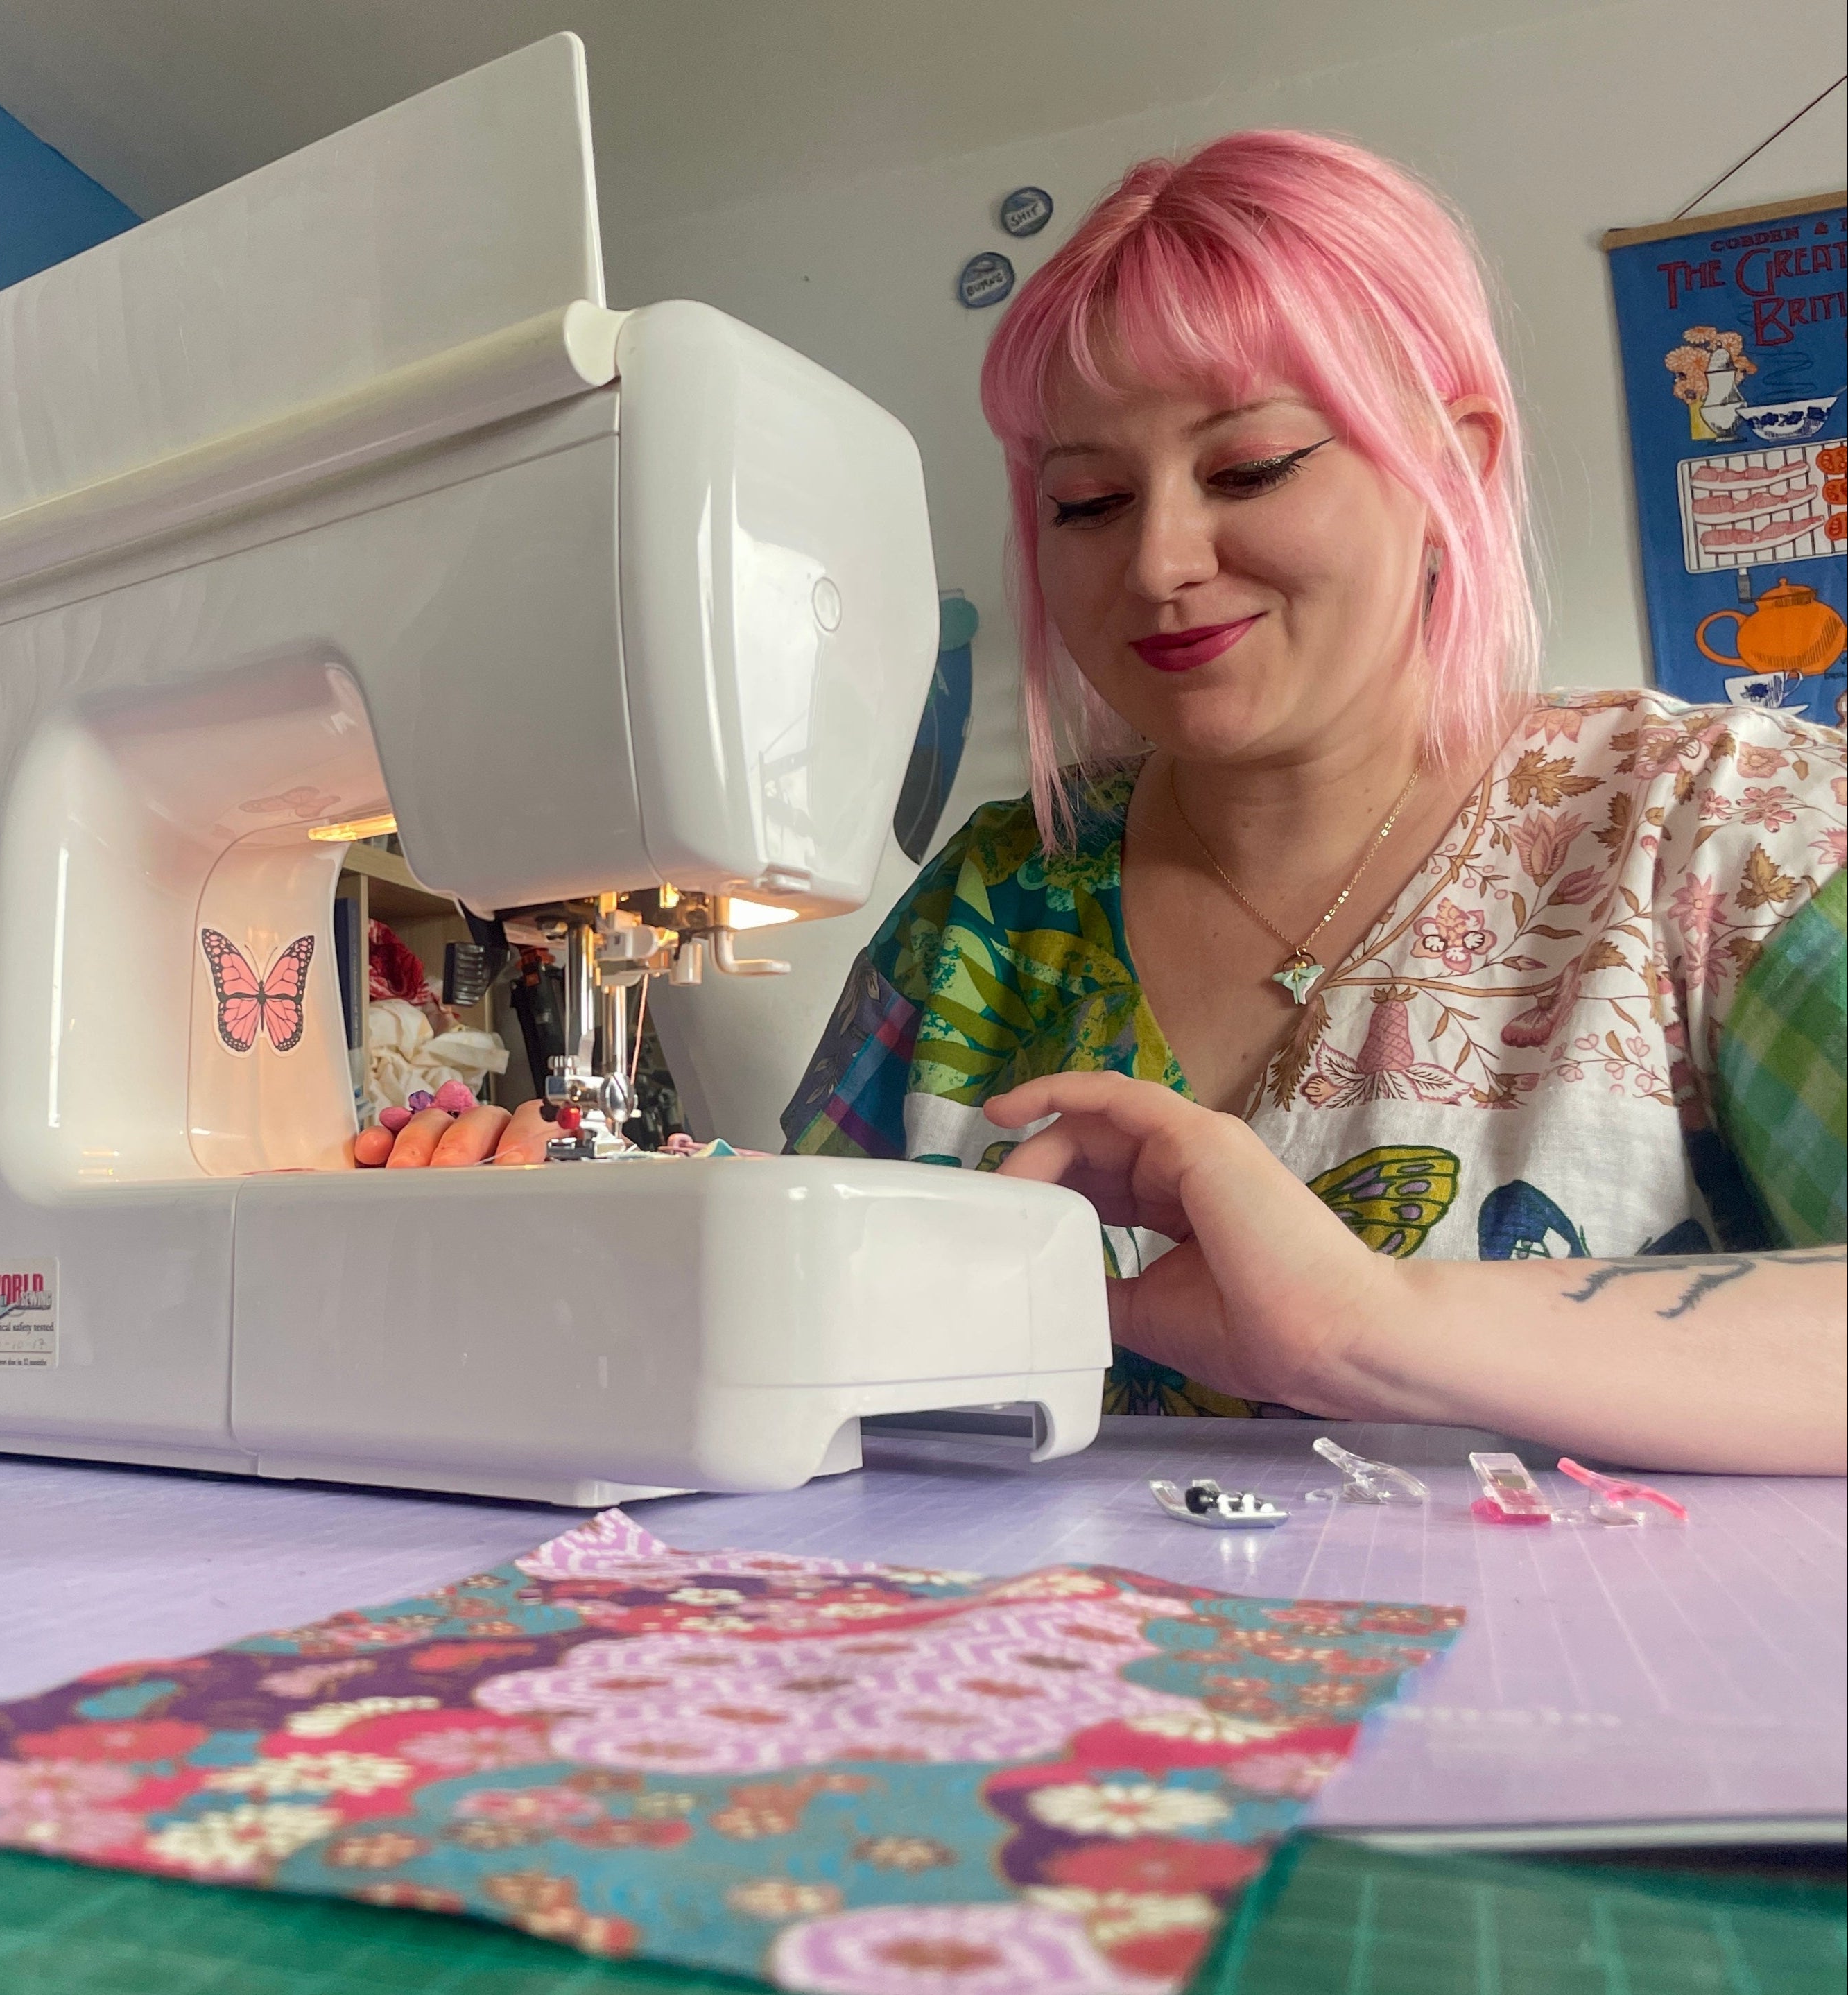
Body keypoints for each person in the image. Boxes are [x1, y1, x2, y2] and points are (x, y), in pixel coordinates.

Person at [357, 132, 1845, 1472]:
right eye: (1086, 502)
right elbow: (795, 1333)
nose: (1157, 563)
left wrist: (1367, 1325)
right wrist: (571, 1243)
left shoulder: (1721, 834)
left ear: (1450, 467)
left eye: (1248, 467)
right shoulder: (997, 898)